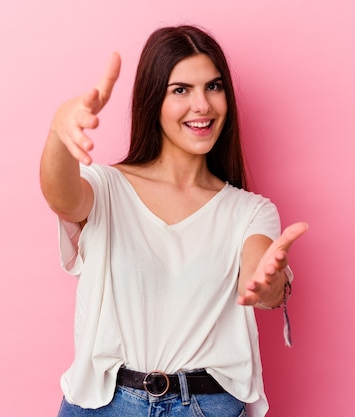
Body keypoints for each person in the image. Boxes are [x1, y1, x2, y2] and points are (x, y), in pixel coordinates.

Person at [40, 25, 308, 417]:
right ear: (153, 100)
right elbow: (62, 199)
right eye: (181, 90)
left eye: (213, 87)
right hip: (104, 406)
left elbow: (260, 278)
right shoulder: (109, 187)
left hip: (203, 406)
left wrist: (269, 285)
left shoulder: (250, 210)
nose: (202, 105)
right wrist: (58, 135)